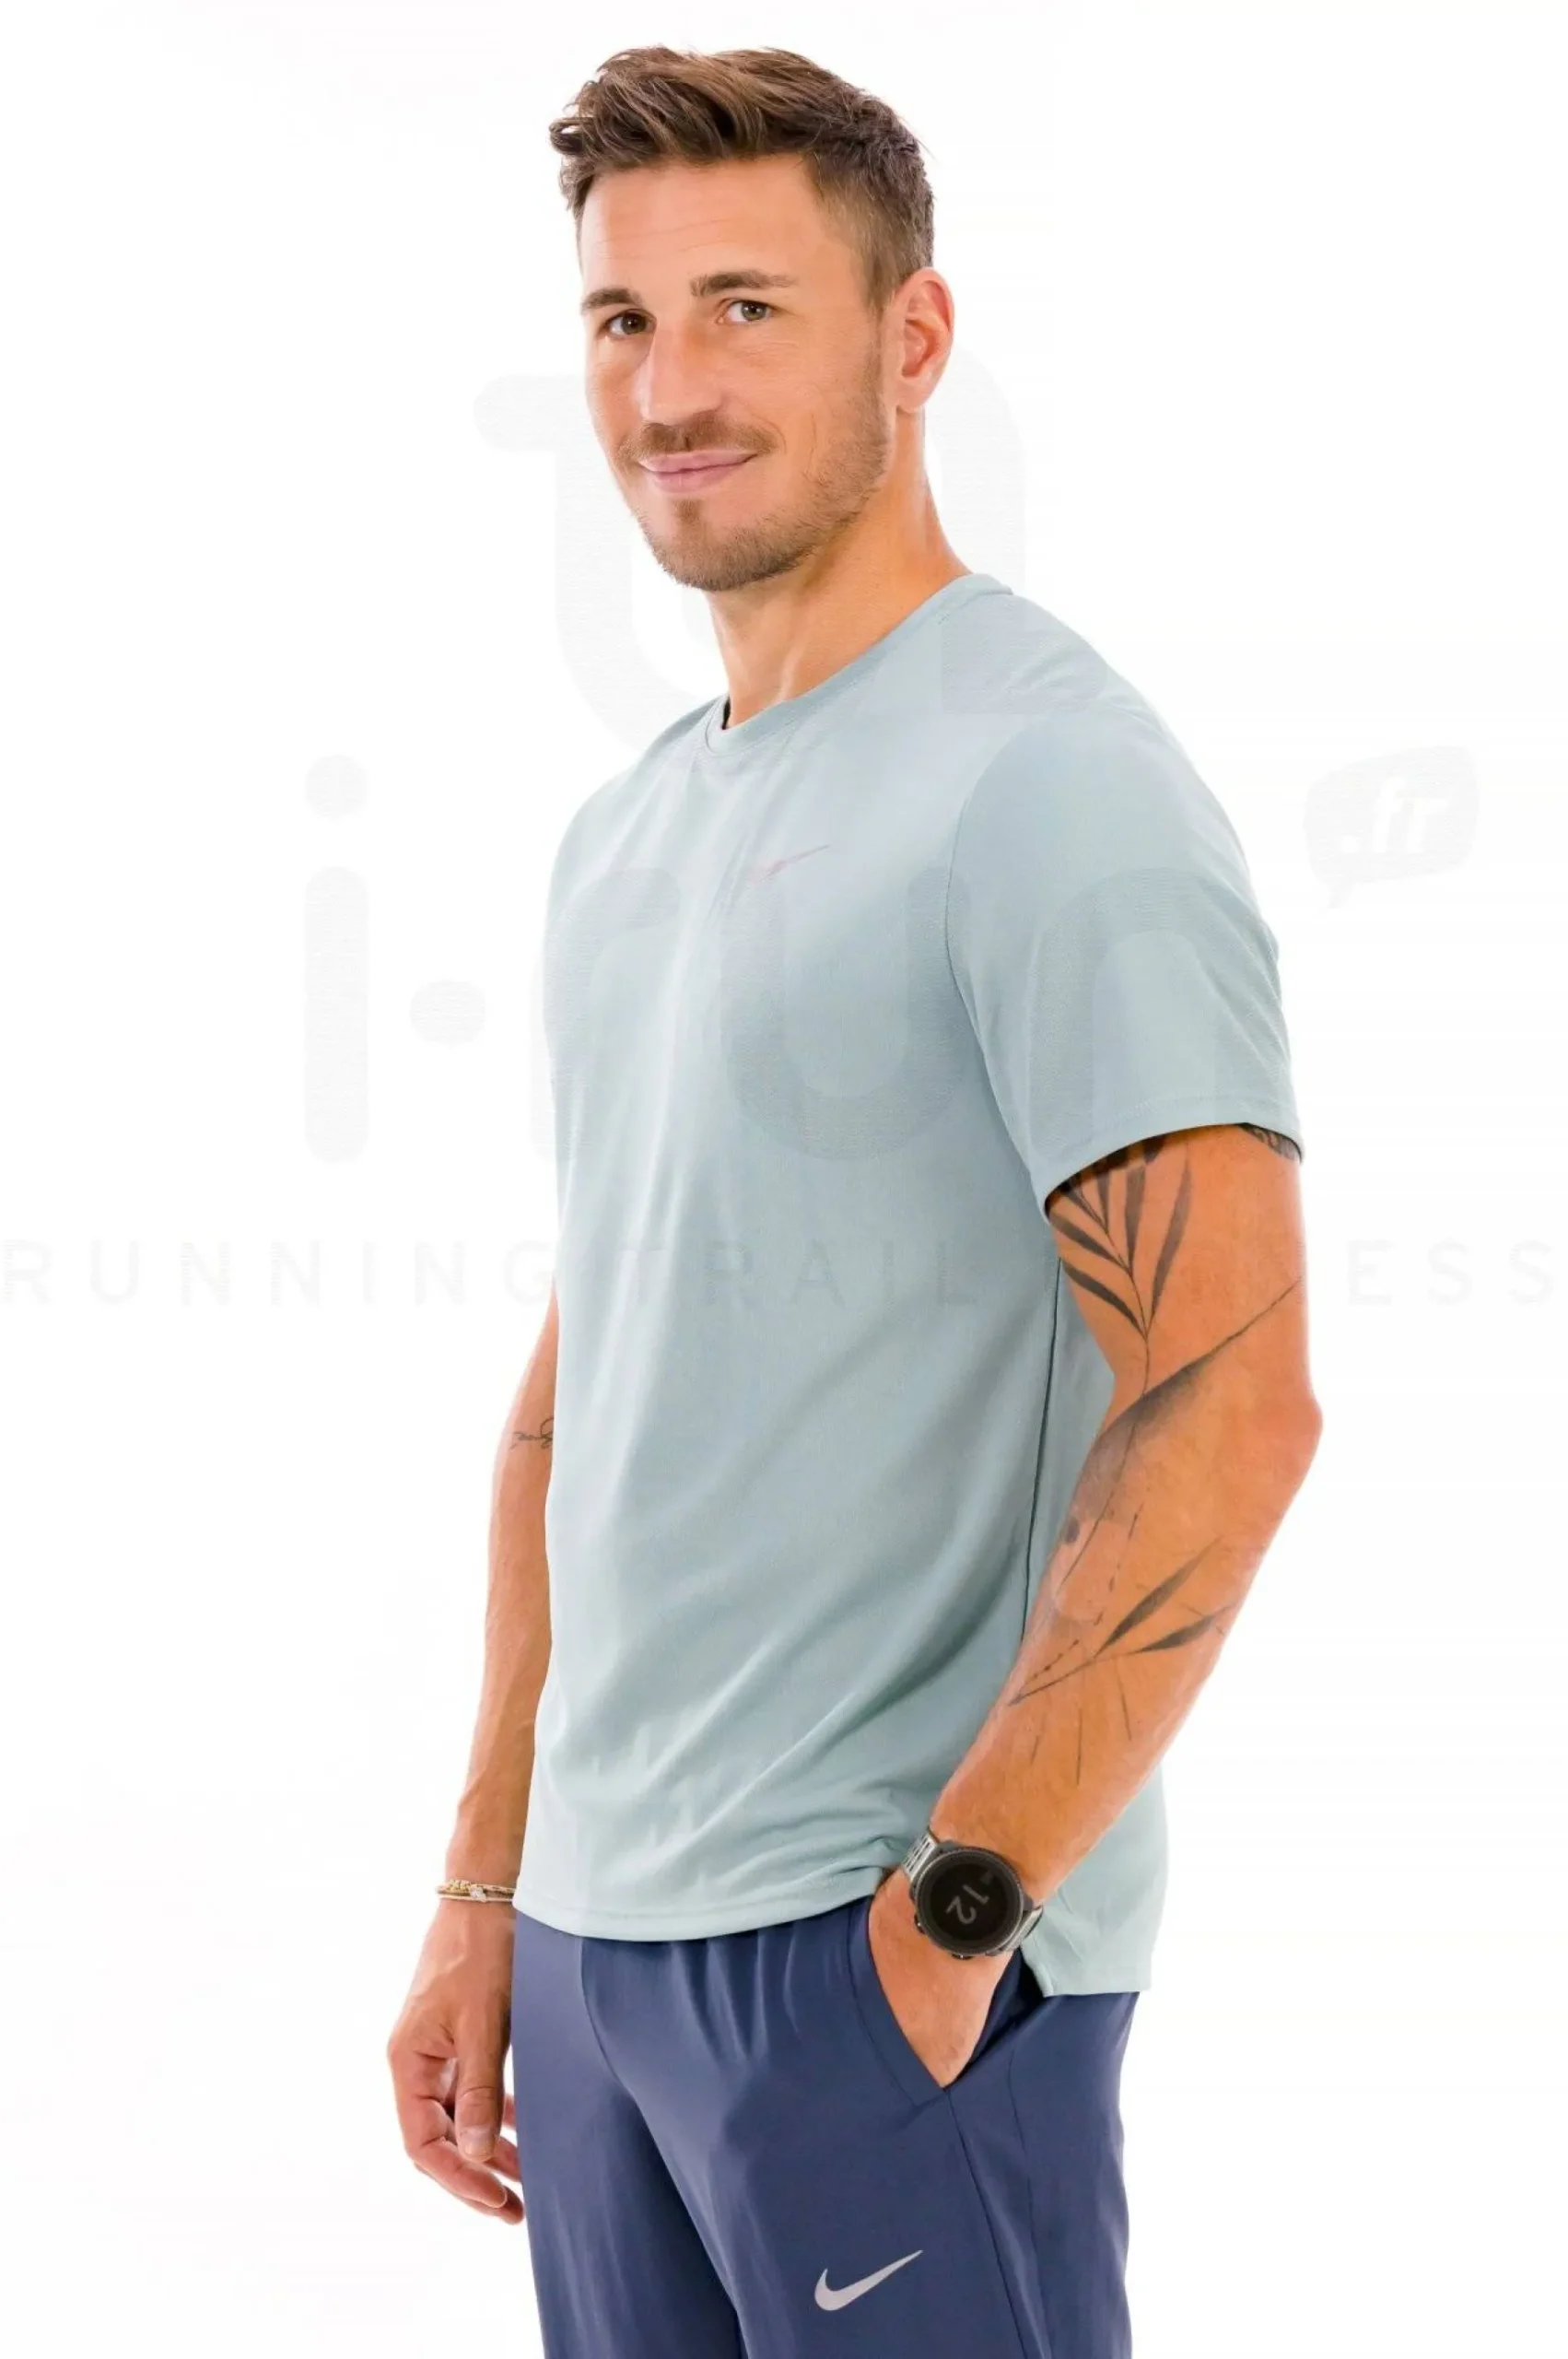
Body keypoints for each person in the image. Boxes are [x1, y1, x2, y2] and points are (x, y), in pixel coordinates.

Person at [386, 42, 1322, 2359]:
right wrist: (490, 1882)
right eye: (622, 320)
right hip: (595, 1958)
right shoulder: (628, 832)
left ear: (912, 337)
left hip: (868, 1952)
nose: (670, 388)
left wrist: (952, 1916)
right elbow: (582, 1390)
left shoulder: (1048, 784)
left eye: (746, 308)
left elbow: (1229, 1393)